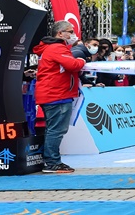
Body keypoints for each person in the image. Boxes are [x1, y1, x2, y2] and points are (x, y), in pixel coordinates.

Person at [32, 20, 86, 173]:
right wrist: (82, 60)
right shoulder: (57, 48)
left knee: (53, 129)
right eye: (70, 31)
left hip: (53, 93)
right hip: (57, 94)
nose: (73, 34)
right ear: (60, 33)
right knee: (56, 130)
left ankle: (52, 161)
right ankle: (52, 162)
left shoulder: (51, 48)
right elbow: (73, 65)